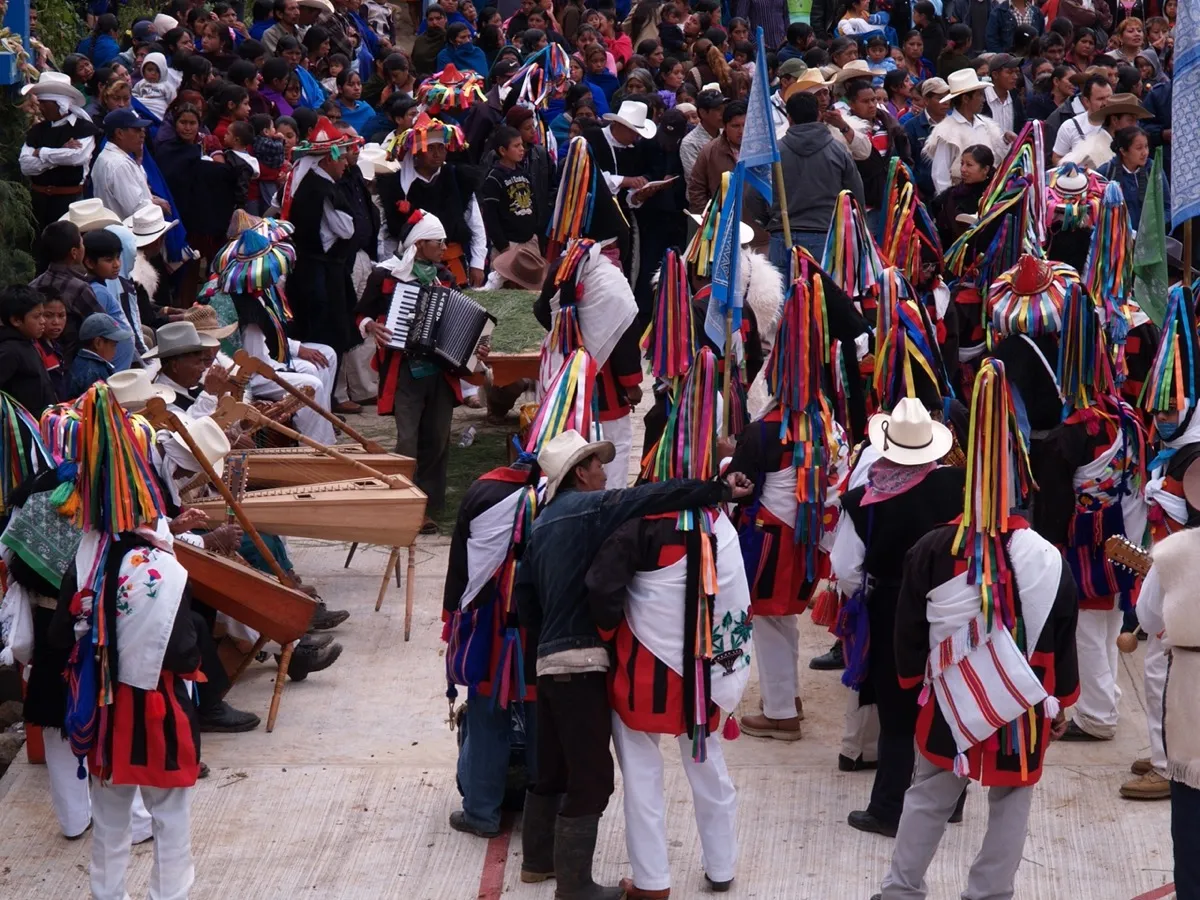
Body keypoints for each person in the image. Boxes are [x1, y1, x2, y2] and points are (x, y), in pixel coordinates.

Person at [514, 428, 753, 900]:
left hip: (614, 672)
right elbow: (735, 603)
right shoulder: (714, 528)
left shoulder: (546, 525)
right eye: (597, 464)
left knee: (612, 773)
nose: (607, 472)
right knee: (694, 766)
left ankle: (642, 880)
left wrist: (575, 642)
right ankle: (718, 866)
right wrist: (718, 489)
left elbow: (538, 598)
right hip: (694, 676)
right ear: (579, 475)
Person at [872, 359, 1078, 900]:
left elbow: (908, 630)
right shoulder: (1047, 557)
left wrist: (911, 682)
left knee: (928, 792)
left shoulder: (932, 548)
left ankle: (901, 889)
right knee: (1012, 801)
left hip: (949, 692)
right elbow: (1062, 632)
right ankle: (989, 894)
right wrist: (1060, 698)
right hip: (1024, 695)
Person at [829, 396, 967, 838]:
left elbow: (846, 570)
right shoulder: (960, 484)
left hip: (892, 609)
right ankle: (951, 801)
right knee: (949, 700)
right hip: (953, 605)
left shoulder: (861, 500)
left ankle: (889, 808)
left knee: (896, 710)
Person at [356, 211, 476, 533]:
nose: (444, 248)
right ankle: (406, 504)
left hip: (440, 370)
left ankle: (429, 503)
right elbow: (360, 314)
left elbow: (464, 321)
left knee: (437, 438)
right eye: (438, 242)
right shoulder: (386, 276)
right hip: (405, 370)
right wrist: (371, 326)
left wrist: (476, 345)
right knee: (408, 439)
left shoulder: (446, 277)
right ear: (420, 244)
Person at [442, 457, 538, 839]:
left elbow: (459, 569)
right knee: (542, 721)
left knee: (486, 719)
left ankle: (482, 814)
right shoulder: (556, 499)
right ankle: (543, 817)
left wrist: (451, 620)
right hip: (539, 629)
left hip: (489, 629)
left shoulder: (480, 492)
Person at [374, 114, 486, 288]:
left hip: (453, 263)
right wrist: (390, 266)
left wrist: (477, 263)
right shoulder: (395, 186)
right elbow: (387, 235)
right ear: (417, 152)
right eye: (430, 148)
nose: (437, 154)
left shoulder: (459, 179)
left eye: (441, 148)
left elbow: (476, 224)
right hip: (409, 269)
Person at [769, 90, 865, 271]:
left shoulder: (774, 153)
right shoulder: (839, 151)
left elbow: (754, 195)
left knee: (782, 289)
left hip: (783, 234)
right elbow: (856, 196)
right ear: (818, 115)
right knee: (824, 289)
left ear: (789, 118)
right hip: (827, 236)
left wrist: (773, 218)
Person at [19, 72, 101, 233]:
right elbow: (26, 165)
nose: (40, 107)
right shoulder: (37, 131)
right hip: (39, 203)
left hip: (70, 202)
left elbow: (76, 157)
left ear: (60, 103)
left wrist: (41, 152)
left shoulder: (83, 128)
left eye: (44, 102)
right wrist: (60, 153)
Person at [29, 218, 104, 363]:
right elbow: (101, 324)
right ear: (74, 252)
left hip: (38, 358)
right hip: (72, 361)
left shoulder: (33, 285)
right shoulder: (79, 288)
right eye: (81, 243)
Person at [479, 126, 545, 291]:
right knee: (505, 288)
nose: (522, 149)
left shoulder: (524, 174)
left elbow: (534, 203)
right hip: (508, 244)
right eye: (516, 146)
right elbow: (491, 216)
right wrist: (503, 245)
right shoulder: (494, 178)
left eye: (522, 145)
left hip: (529, 241)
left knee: (532, 288)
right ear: (503, 150)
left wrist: (534, 232)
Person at [924, 68, 1007, 196]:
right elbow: (940, 175)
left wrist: (1006, 141)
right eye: (979, 95)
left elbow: (999, 158)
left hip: (987, 196)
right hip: (960, 197)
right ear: (966, 99)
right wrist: (949, 202)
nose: (983, 100)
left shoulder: (986, 126)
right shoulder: (946, 131)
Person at [90, 108, 165, 221]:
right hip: (129, 229)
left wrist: (138, 161)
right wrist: (156, 204)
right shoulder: (119, 164)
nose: (142, 134)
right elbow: (137, 210)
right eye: (137, 130)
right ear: (119, 133)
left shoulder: (108, 157)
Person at [0, 285, 56, 415]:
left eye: (43, 315)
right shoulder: (9, 351)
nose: (43, 321)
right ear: (16, 320)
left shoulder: (28, 342)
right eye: (36, 316)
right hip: (24, 423)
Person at [1098, 126, 1170, 227]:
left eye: (1146, 146)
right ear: (1123, 151)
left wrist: (1153, 225)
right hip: (1117, 234)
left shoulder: (1154, 170)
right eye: (1139, 148)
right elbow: (1096, 211)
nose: (1145, 152)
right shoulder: (1106, 172)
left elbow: (1167, 207)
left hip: (1149, 234)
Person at [1061, 91, 1151, 170]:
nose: (1135, 126)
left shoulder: (1122, 145)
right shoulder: (1093, 152)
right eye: (1130, 120)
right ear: (1114, 120)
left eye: (1136, 121)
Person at [687, 99, 746, 214]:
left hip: (755, 220)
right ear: (725, 126)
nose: (741, 131)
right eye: (735, 126)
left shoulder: (762, 149)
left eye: (745, 125)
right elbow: (696, 189)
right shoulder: (709, 152)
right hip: (721, 219)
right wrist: (709, 217)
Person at [932, 144, 994, 247]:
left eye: (969, 165)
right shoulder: (951, 195)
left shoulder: (993, 196)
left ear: (985, 169)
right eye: (962, 164)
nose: (963, 169)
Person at [1051, 73, 1113, 164]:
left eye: (1109, 97)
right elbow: (1057, 158)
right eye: (1100, 99)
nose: (1106, 102)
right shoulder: (1069, 127)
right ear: (1087, 101)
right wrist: (1072, 168)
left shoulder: (1122, 123)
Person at [905, 77, 950, 201]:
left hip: (952, 192)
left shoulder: (955, 124)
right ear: (926, 100)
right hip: (924, 196)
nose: (946, 102)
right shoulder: (911, 127)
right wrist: (916, 191)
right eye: (940, 98)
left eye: (948, 97)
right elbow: (906, 162)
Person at [66, 312, 130, 397]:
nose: (115, 350)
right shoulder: (94, 374)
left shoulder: (80, 362)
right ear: (98, 343)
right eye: (113, 345)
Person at [679, 88, 725, 180]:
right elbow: (696, 178)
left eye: (724, 109)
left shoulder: (727, 133)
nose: (723, 114)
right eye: (718, 109)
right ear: (703, 113)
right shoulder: (690, 143)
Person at [983, 53, 1025, 139]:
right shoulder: (982, 99)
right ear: (995, 74)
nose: (1015, 77)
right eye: (1009, 72)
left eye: (1016, 72)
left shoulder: (1015, 98)